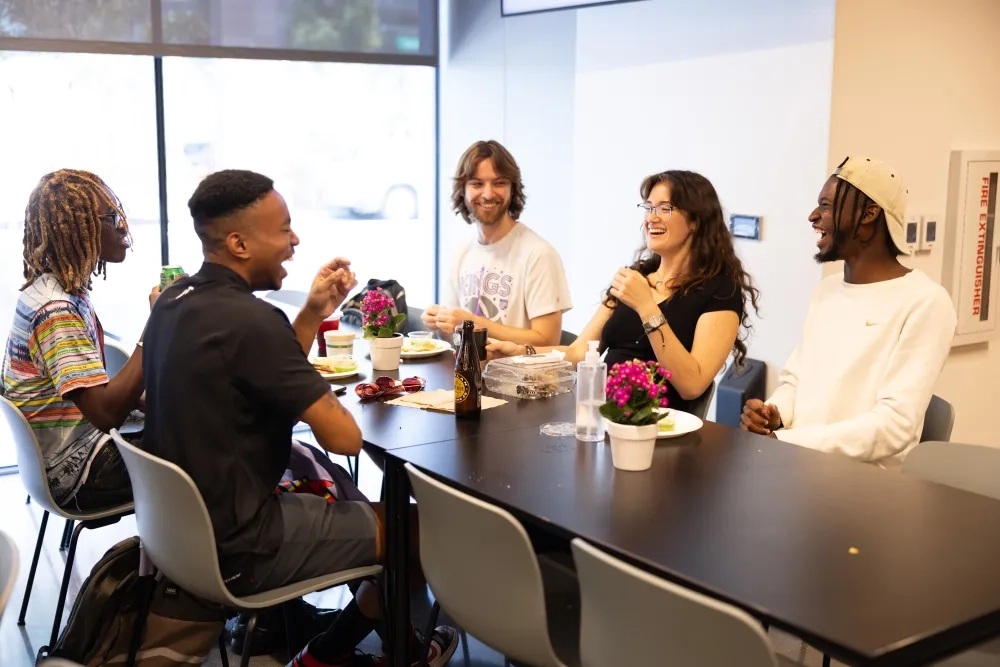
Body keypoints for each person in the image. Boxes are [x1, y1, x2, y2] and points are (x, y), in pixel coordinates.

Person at [140, 170, 457, 667]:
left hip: (184, 533)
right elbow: (346, 439)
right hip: (245, 545)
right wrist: (324, 399)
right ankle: (329, 652)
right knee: (417, 532)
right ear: (240, 243)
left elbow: (256, 370)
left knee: (347, 496)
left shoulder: (174, 301)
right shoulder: (251, 320)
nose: (295, 241)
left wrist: (312, 312)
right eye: (284, 229)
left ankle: (355, 643)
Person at [740, 156, 956, 466]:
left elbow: (895, 427)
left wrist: (785, 440)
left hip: (863, 489)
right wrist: (773, 414)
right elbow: (795, 381)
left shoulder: (926, 302)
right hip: (798, 467)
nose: (814, 216)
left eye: (826, 206)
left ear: (869, 214)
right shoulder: (826, 291)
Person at [488, 170, 760, 414]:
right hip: (603, 416)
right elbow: (580, 353)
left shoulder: (721, 291)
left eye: (665, 208)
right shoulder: (634, 277)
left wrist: (647, 307)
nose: (651, 218)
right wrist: (523, 352)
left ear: (695, 222)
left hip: (661, 428)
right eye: (649, 207)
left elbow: (692, 385)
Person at [2, 169, 159, 511]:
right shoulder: (56, 310)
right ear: (75, 228)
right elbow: (105, 415)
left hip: (63, 456)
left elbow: (92, 394)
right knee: (214, 446)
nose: (123, 225)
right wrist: (157, 322)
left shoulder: (54, 289)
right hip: (80, 472)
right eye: (111, 217)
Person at [422, 140, 572, 346]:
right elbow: (454, 339)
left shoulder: (539, 254)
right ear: (462, 190)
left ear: (513, 189)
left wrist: (475, 324)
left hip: (522, 378)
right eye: (477, 184)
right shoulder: (462, 251)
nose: (488, 194)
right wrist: (440, 324)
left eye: (499, 183)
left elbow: (547, 341)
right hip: (469, 376)